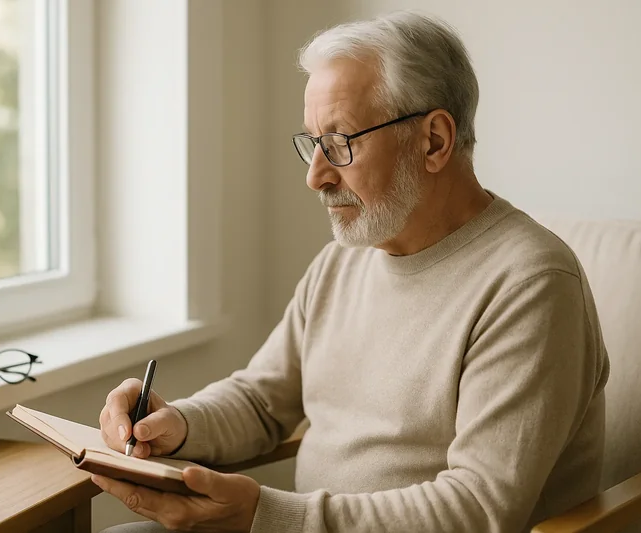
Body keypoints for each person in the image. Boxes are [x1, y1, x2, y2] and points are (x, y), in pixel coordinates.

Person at [95, 10, 610, 533]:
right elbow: (261, 398)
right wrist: (174, 424)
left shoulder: (531, 284)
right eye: (313, 144)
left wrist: (264, 515)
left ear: (433, 140)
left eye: (341, 143)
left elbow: (477, 509)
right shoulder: (346, 257)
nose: (316, 176)